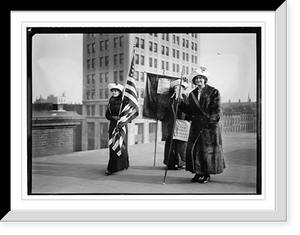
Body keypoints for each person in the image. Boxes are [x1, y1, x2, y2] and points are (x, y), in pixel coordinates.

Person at [178, 68, 225, 183]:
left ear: (205, 79)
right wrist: (180, 104)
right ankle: (197, 173)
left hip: (209, 127)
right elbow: (191, 111)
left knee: (207, 151)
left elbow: (216, 110)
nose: (198, 80)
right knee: (195, 150)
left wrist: (210, 123)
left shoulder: (213, 92)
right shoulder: (192, 94)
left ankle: (206, 174)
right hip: (196, 126)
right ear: (194, 81)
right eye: (196, 78)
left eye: (200, 78)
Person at [162, 78, 190, 170]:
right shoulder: (170, 99)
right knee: (171, 143)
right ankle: (170, 163)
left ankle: (181, 162)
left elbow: (189, 111)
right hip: (171, 124)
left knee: (181, 143)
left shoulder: (186, 99)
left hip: (182, 125)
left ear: (183, 89)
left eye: (180, 87)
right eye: (176, 87)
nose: (178, 89)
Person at [105, 82, 129, 175]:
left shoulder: (124, 102)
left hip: (121, 126)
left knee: (121, 145)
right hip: (113, 125)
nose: (114, 92)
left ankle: (123, 164)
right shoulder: (110, 102)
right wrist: (113, 117)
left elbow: (127, 113)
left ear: (120, 92)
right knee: (113, 145)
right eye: (113, 91)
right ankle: (112, 167)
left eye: (116, 91)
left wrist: (121, 119)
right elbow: (107, 115)